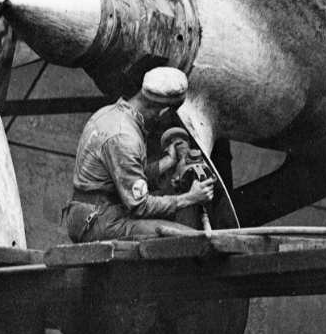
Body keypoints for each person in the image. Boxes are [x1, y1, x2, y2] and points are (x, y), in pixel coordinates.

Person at [64, 67, 215, 243]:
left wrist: (169, 161)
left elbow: (126, 177)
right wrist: (189, 198)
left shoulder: (109, 114)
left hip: (92, 211)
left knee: (178, 230)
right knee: (188, 239)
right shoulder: (124, 138)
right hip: (99, 221)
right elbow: (140, 206)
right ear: (164, 111)